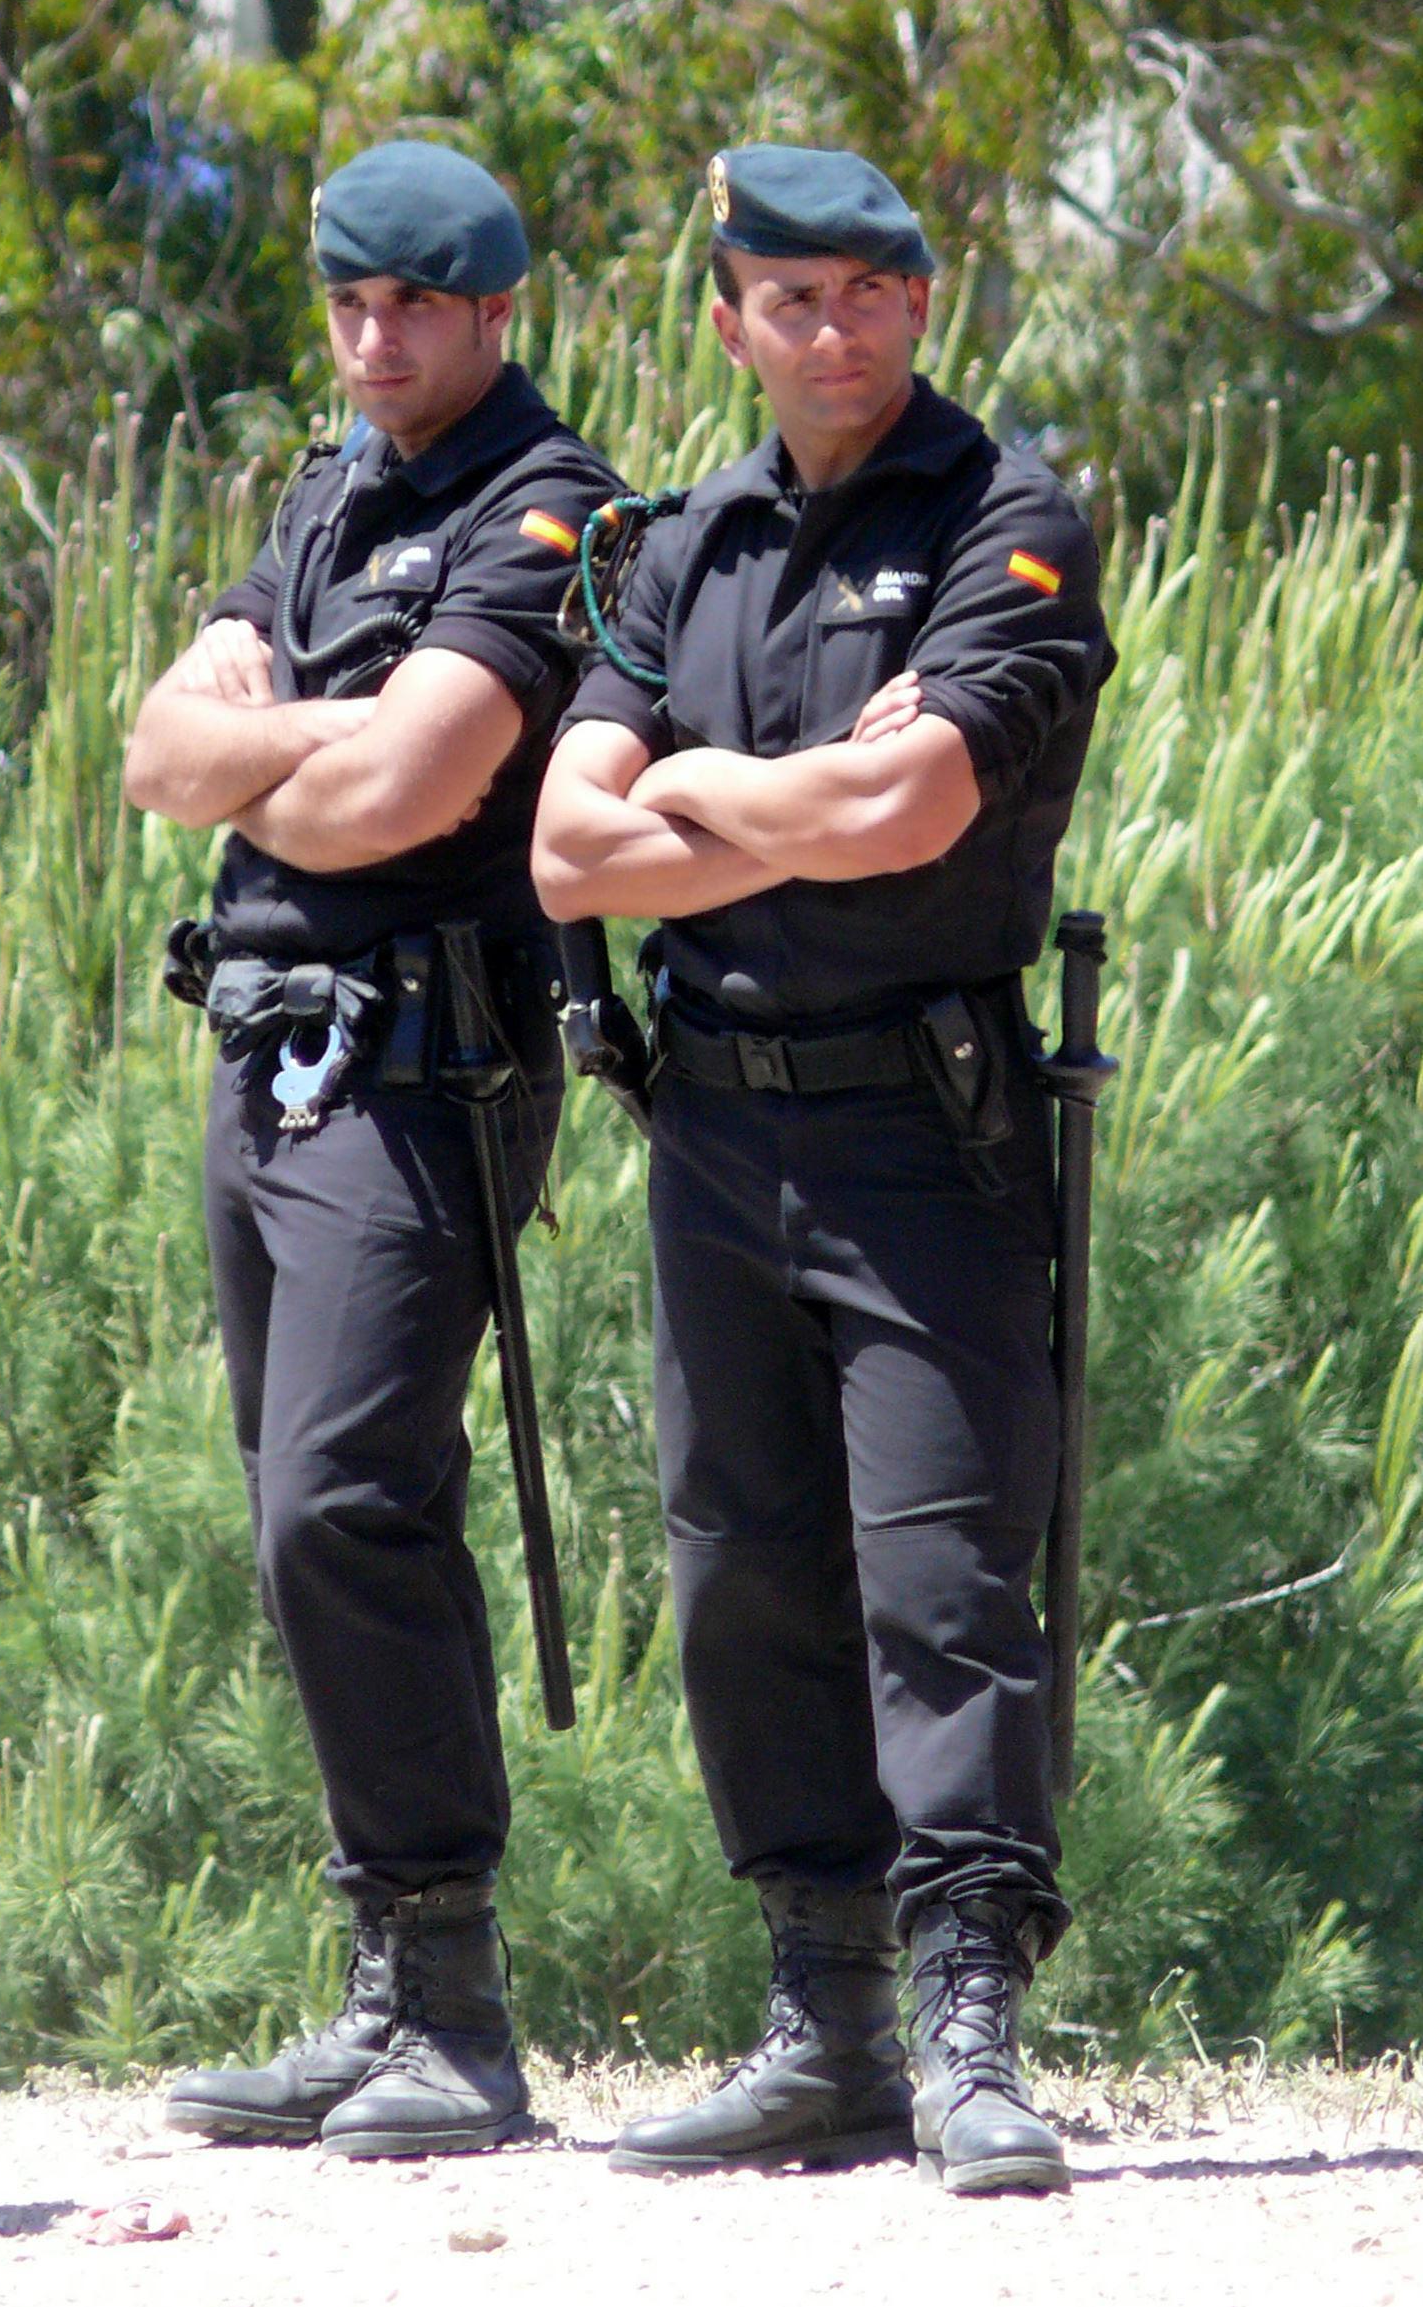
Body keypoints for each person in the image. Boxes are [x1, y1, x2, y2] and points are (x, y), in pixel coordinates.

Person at [532, 142, 1115, 2195]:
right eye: (790, 294)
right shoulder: (676, 546)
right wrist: (773, 792)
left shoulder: (1006, 524)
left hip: (915, 1132)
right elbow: (559, 849)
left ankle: (967, 2019)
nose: (833, 325)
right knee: (744, 1568)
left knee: (945, 1582)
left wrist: (691, 788)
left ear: (920, 302)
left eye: (869, 289)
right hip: (711, 1122)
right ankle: (826, 2012)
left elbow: (909, 804)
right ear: (729, 318)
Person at [124, 139, 619, 2160]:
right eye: (348, 300)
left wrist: (294, 745)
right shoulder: (332, 490)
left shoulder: (547, 502)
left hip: (419, 1073)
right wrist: (299, 744)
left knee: (346, 1494)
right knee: (295, 1510)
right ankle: (389, 1984)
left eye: (413, 303)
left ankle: (464, 2022)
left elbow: (407, 791)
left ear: (495, 310)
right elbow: (163, 755)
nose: (374, 334)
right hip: (265, 1061)